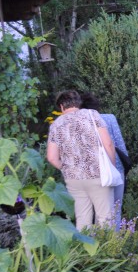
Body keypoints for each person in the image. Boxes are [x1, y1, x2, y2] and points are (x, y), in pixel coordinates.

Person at [46, 90, 116, 230]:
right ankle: (107, 250)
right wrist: (111, 165)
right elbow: (108, 143)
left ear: (61, 107)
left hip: (74, 179)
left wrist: (66, 168)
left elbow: (52, 157)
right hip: (97, 174)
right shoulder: (92, 115)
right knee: (105, 217)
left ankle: (84, 250)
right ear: (78, 103)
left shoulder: (56, 125)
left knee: (82, 218)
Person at [80, 93, 129, 228]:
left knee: (99, 212)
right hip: (116, 169)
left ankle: (102, 244)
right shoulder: (109, 118)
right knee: (116, 209)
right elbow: (120, 144)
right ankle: (116, 244)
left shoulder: (79, 124)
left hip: (94, 173)